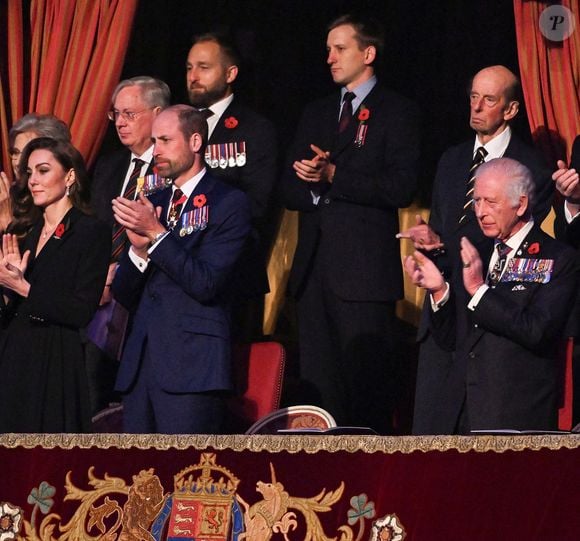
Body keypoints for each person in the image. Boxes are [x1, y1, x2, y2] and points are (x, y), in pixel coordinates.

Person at [281, 14, 420, 432]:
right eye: (328, 49)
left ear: (369, 53)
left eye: (340, 49)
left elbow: (400, 188)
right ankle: (324, 487)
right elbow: (287, 188)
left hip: (364, 277)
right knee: (320, 395)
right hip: (313, 274)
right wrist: (311, 182)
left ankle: (367, 489)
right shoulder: (317, 112)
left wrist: (335, 176)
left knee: (365, 392)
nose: (330, 58)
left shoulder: (398, 111)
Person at [397, 65, 554, 434]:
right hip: (441, 316)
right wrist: (433, 244)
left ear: (511, 110)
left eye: (489, 99)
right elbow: (442, 229)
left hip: (487, 328)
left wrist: (451, 253)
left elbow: (519, 247)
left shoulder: (531, 168)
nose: (477, 106)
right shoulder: (451, 160)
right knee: (430, 441)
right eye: (473, 97)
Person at [404, 157, 577, 432]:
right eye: (476, 201)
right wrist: (440, 292)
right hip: (461, 413)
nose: (480, 212)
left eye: (491, 202)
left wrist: (479, 291)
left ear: (520, 204)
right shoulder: (476, 251)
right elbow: (452, 340)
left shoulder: (559, 259)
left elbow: (537, 330)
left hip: (514, 414)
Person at [111, 104, 251, 434]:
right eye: (153, 141)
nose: (155, 150)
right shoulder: (153, 200)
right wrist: (138, 250)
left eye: (165, 140)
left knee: (186, 477)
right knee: (136, 479)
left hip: (191, 366)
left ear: (195, 142)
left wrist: (158, 235)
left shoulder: (228, 202)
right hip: (141, 365)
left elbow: (207, 283)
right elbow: (124, 294)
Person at [0, 137, 111, 432]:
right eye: (30, 172)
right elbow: (10, 307)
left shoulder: (91, 232)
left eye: (43, 170)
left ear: (70, 175)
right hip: (14, 355)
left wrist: (23, 288)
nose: (33, 180)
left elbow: (80, 310)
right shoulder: (27, 233)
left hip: (55, 359)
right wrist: (8, 289)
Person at [86, 76, 170, 415]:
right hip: (100, 299)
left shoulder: (171, 167)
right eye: (115, 114)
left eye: (129, 114)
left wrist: (120, 272)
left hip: (147, 294)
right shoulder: (109, 166)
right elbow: (93, 231)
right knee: (91, 391)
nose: (119, 122)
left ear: (158, 113)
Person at [186, 32, 277, 340]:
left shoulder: (255, 128)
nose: (193, 76)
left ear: (230, 73)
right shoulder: (178, 125)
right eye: (189, 68)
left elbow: (257, 203)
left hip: (231, 271)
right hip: (178, 268)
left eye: (203, 67)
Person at [1, 113, 71, 233]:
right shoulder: (9, 196)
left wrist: (7, 221)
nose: (18, 162)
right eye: (15, 152)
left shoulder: (52, 203)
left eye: (27, 154)